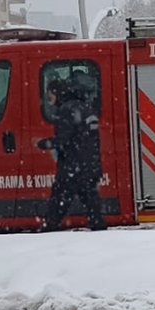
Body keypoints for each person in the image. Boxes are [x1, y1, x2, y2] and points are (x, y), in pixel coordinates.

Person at [40, 75, 105, 231]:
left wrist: (44, 143)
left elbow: (63, 139)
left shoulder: (66, 110)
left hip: (72, 166)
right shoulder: (85, 108)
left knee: (58, 202)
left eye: (50, 94)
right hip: (89, 165)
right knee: (92, 204)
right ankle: (100, 230)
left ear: (57, 93)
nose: (49, 99)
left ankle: (48, 230)